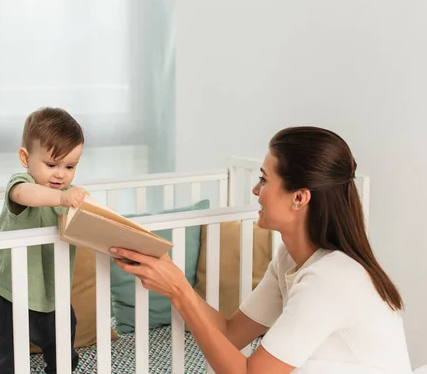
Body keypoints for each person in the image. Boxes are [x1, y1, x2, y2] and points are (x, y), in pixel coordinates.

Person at [112, 126, 412, 373]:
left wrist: (179, 291)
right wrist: (175, 281)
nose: (255, 190)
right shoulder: (288, 258)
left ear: (299, 198)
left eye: (264, 180)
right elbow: (231, 333)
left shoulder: (332, 277)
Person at [0, 107, 87, 374]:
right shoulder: (21, 184)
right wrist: (63, 199)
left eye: (70, 166)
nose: (60, 174)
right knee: (5, 358)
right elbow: (25, 195)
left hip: (51, 294)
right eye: (51, 164)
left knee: (64, 353)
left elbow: (90, 221)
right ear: (25, 158)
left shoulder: (68, 195)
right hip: (7, 292)